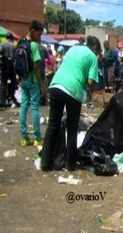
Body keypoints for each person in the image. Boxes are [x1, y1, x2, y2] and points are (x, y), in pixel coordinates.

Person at [40, 36, 99, 172]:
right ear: (95, 47)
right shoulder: (92, 57)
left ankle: (45, 163)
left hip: (56, 85)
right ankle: (70, 165)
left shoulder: (73, 49)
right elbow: (90, 82)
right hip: (73, 90)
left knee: (53, 124)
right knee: (72, 127)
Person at [19, 21, 45, 147]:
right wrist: (41, 84)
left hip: (23, 79)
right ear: (33, 31)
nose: (39, 38)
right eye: (39, 35)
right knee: (34, 108)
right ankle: (37, 137)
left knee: (23, 107)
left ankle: (24, 138)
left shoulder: (21, 41)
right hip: (33, 80)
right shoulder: (33, 45)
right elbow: (36, 66)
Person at [0, 32, 19, 108]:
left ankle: (2, 102)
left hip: (5, 65)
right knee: (14, 83)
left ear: (6, 37)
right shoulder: (14, 45)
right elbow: (16, 57)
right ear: (11, 38)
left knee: (3, 83)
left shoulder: (2, 44)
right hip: (12, 65)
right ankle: (15, 100)